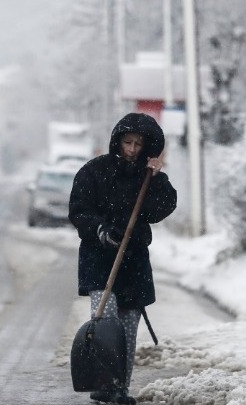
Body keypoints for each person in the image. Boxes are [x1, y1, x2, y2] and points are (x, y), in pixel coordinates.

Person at [69, 113, 177, 404]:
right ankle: (103, 382)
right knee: (106, 320)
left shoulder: (149, 177)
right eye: (127, 142)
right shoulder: (94, 171)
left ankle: (119, 389)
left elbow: (161, 209)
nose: (131, 149)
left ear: (147, 147)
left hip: (134, 263)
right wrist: (100, 230)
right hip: (99, 260)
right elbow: (78, 211)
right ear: (117, 141)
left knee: (129, 329)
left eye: (138, 144)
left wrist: (155, 179)